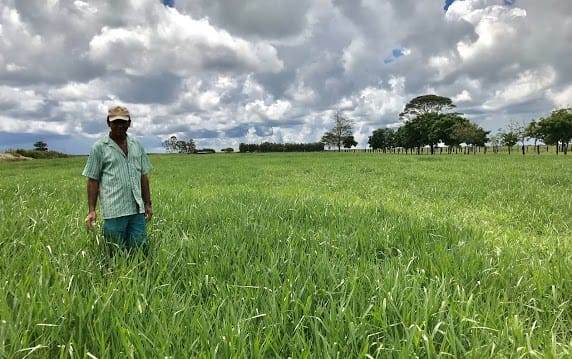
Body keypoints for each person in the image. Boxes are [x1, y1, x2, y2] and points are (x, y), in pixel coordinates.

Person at [83, 105, 153, 252]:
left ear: (129, 123)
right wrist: (92, 210)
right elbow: (93, 180)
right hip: (114, 211)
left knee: (140, 250)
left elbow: (143, 176)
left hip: (136, 210)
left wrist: (147, 203)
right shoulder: (100, 147)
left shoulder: (137, 145)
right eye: (116, 122)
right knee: (115, 253)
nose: (120, 125)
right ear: (108, 122)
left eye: (123, 122)